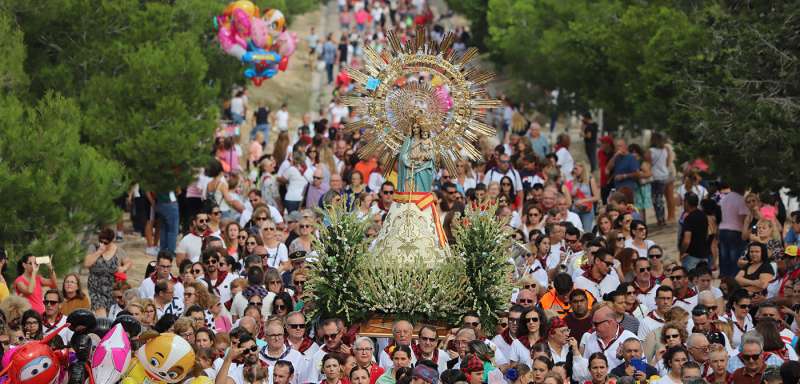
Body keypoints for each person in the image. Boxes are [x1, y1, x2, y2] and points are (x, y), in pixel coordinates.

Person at [84, 228, 131, 317]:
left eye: (106, 243)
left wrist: (123, 268)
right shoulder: (94, 248)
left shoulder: (118, 250)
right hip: (96, 288)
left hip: (112, 288)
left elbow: (128, 262)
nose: (103, 244)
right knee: (101, 314)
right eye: (101, 241)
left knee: (111, 314)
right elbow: (87, 263)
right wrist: (99, 252)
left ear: (112, 240)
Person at [679, 192, 709, 270]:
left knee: (691, 280)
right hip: (703, 255)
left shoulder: (689, 218)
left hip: (691, 257)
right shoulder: (703, 215)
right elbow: (707, 235)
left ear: (686, 203)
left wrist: (682, 252)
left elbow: (686, 241)